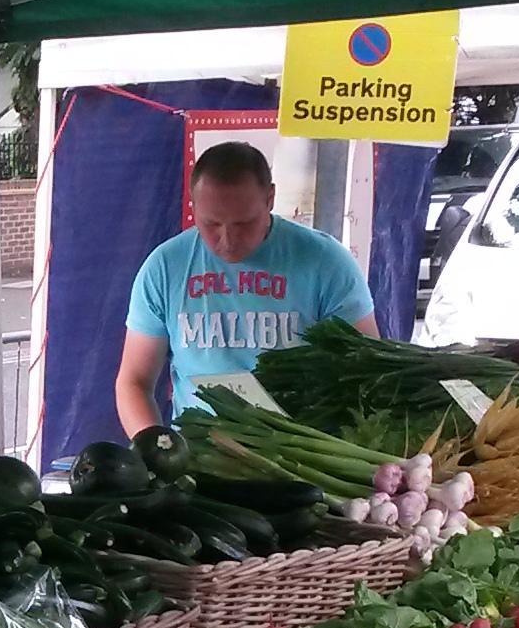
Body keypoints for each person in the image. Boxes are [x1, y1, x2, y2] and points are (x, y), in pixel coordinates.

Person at [115, 141, 377, 434]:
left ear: (270, 199)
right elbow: (134, 381)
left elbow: (365, 372)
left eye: (243, 224)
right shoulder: (164, 267)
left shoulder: (327, 263)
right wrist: (155, 449)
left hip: (303, 456)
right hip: (198, 457)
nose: (227, 240)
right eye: (211, 223)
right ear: (193, 205)